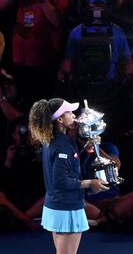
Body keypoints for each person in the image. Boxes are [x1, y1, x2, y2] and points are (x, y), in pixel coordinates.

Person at [28, 98, 108, 254]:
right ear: (59, 119)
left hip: (58, 204)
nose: (73, 115)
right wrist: (90, 183)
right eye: (69, 112)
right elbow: (61, 181)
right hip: (65, 207)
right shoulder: (63, 144)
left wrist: (86, 150)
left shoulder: (54, 140)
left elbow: (70, 166)